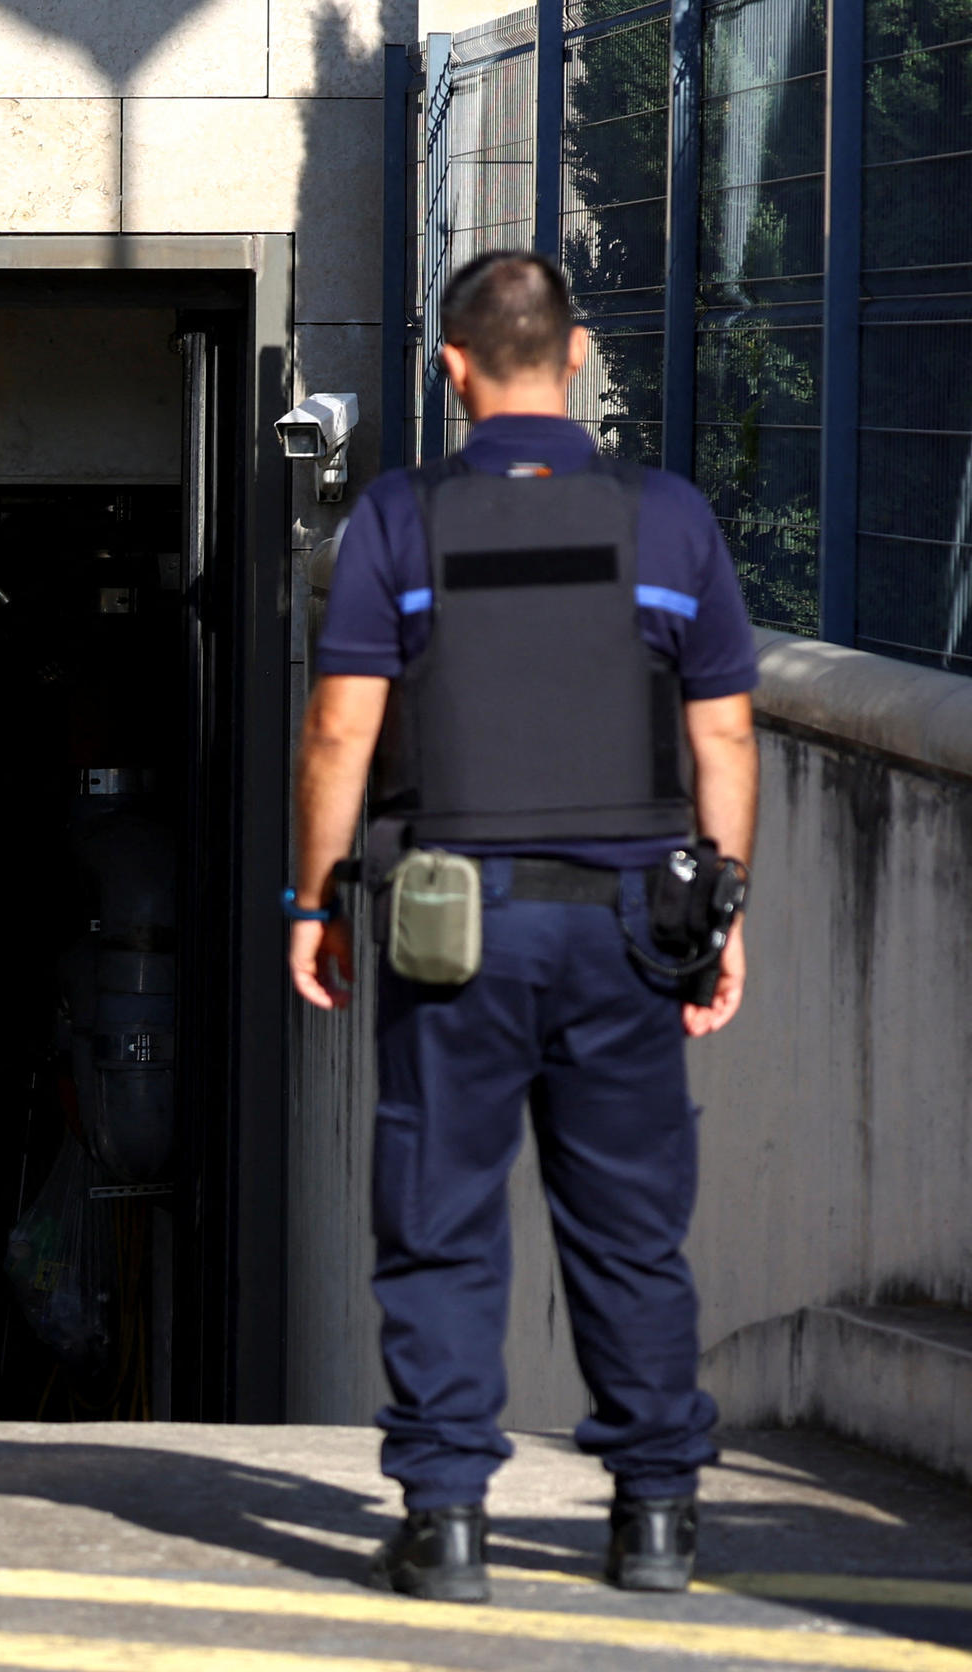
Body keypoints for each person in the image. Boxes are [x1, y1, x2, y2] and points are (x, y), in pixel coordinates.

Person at [288, 251, 759, 1602]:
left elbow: (339, 730)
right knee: (625, 1223)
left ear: (451, 368)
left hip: (455, 927)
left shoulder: (396, 520)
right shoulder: (667, 522)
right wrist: (724, 908)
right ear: (582, 352)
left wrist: (313, 898)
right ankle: (656, 1514)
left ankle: (444, 1521)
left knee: (439, 1219)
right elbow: (724, 729)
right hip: (631, 928)